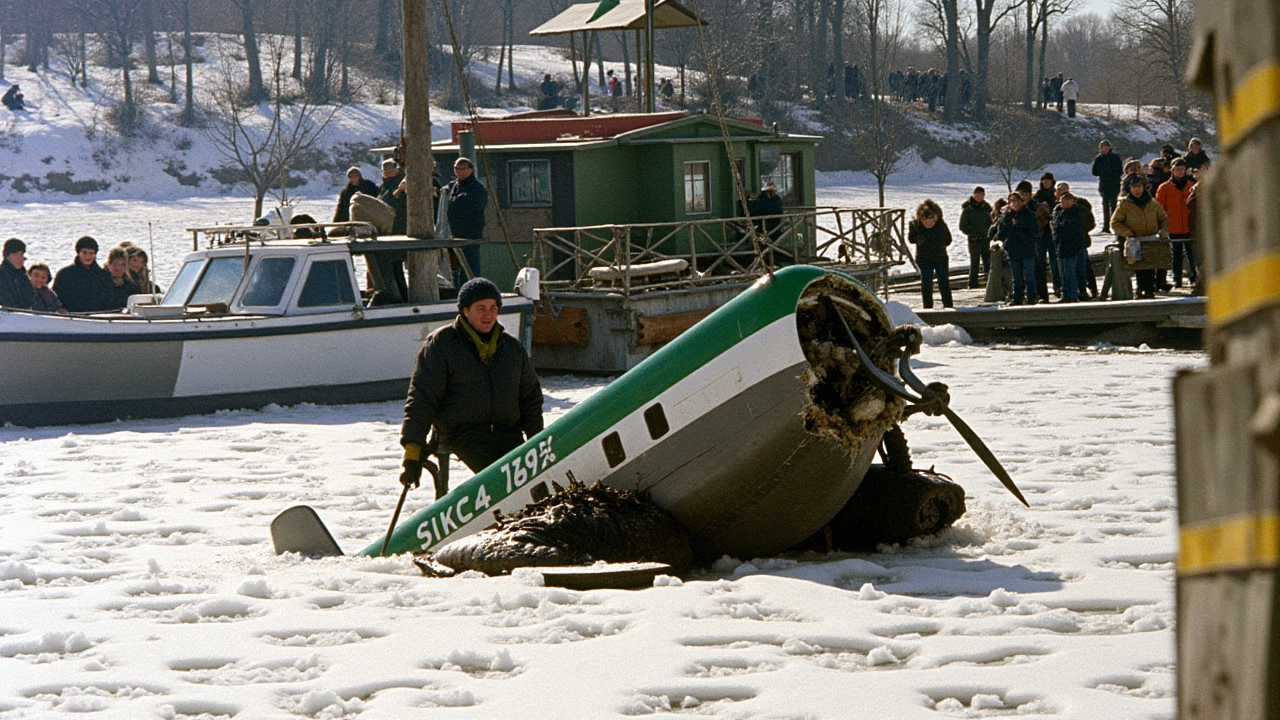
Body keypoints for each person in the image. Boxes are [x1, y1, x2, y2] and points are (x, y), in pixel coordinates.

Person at [399, 277, 544, 494]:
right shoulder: (442, 344)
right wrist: (413, 450)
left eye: (493, 308)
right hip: (464, 434)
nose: (488, 314)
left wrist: (536, 445)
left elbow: (530, 399)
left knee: (536, 486)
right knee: (504, 486)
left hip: (508, 433)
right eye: (481, 308)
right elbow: (422, 399)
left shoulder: (512, 350)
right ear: (465, 311)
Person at [1111, 174, 1169, 299]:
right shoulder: (1125, 204)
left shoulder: (1152, 202)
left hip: (1151, 239)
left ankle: (1149, 289)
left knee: (1151, 266)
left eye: (1139, 187)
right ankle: (1141, 289)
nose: (1136, 190)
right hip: (1135, 240)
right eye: (1134, 187)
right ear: (1130, 188)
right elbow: (1115, 222)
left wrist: (1163, 230)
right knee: (1139, 267)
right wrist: (1127, 233)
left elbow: (1163, 218)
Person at [1155, 157, 1197, 288]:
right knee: (1176, 254)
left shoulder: (1192, 185)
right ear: (1172, 170)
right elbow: (1159, 208)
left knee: (1193, 254)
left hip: (1190, 226)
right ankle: (1177, 278)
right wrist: (1162, 225)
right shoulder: (1164, 188)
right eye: (1178, 169)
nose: (1180, 171)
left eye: (1183, 169)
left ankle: (1195, 278)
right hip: (1173, 226)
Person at [446, 157, 489, 283]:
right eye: (456, 168)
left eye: (461, 169)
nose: (458, 171)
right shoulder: (454, 186)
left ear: (470, 170)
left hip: (470, 233)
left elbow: (477, 206)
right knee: (456, 268)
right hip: (455, 232)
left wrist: (459, 201)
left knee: (470, 266)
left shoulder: (477, 188)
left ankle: (473, 288)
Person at [907, 199, 953, 309]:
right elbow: (911, 238)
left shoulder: (941, 225)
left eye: (931, 218)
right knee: (926, 283)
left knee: (943, 282)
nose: (928, 221)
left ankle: (948, 306)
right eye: (925, 218)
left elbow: (948, 239)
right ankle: (927, 307)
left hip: (940, 257)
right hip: (924, 258)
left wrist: (939, 243)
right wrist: (919, 239)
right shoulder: (915, 225)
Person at [1055, 181, 1097, 299]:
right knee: (1065, 271)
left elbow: (1089, 223)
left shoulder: (1079, 208)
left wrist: (1079, 232)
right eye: (1059, 190)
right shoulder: (1057, 210)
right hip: (1062, 245)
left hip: (1079, 242)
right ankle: (1066, 293)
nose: (1061, 193)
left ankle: (1085, 290)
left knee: (1082, 269)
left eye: (1064, 190)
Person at [996, 192, 1039, 305]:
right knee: (1016, 277)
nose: (1014, 203)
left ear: (1021, 201)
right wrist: (1008, 224)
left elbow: (1035, 232)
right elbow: (1000, 234)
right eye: (1012, 201)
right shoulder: (1007, 216)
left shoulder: (1029, 214)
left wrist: (1019, 225)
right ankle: (1017, 298)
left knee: (1029, 275)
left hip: (1027, 249)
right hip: (1013, 250)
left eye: (1016, 200)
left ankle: (1031, 297)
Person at [54, 236, 114, 313]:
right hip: (71, 319)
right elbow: (56, 299)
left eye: (91, 253)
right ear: (78, 253)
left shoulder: (104, 276)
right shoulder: (65, 275)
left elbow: (109, 302)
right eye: (84, 252)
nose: (88, 256)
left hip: (99, 319)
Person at [1051, 193, 1088, 303]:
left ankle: (1072, 295)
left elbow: (1069, 228)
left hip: (1072, 246)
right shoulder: (1058, 212)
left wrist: (1060, 228)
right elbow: (1055, 227)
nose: (1060, 204)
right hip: (1060, 246)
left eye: (1063, 201)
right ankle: (1065, 295)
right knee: (1063, 273)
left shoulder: (1076, 213)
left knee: (1070, 272)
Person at [959, 186, 993, 289]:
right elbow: (962, 225)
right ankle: (972, 284)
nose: (979, 197)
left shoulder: (987, 208)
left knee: (988, 262)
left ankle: (989, 283)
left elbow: (992, 222)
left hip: (986, 239)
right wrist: (972, 233)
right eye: (977, 194)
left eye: (981, 194)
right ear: (974, 195)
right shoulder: (968, 209)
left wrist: (990, 234)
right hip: (974, 240)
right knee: (974, 263)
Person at [1091, 140, 1122, 233]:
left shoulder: (1115, 157)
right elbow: (1094, 172)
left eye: (1105, 147)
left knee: (1113, 205)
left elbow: (1120, 170)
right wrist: (1102, 171)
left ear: (1109, 147)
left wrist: (1111, 173)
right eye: (1101, 147)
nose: (1103, 149)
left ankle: (1115, 225)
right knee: (1105, 205)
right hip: (1104, 184)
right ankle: (1106, 226)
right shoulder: (1099, 158)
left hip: (1114, 184)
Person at [0, 238, 35, 309]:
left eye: (21, 254)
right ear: (7, 256)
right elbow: (6, 302)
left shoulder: (23, 276)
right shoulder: (2, 275)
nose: (19, 258)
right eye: (15, 254)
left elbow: (31, 299)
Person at [104, 246, 140, 311]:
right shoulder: (101, 282)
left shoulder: (131, 285)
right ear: (109, 264)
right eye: (115, 264)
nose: (118, 268)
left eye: (122, 265)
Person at [378, 158, 407, 235]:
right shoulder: (384, 186)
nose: (388, 174)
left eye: (390, 171)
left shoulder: (400, 182)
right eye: (386, 172)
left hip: (400, 218)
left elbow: (395, 198)